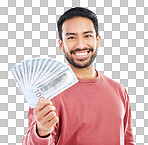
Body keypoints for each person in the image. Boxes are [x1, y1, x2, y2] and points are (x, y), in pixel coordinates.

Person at [22, 7, 135, 145]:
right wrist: (41, 132)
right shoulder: (45, 94)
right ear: (61, 44)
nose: (80, 45)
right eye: (71, 37)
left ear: (98, 40)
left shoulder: (119, 90)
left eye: (87, 36)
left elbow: (128, 140)